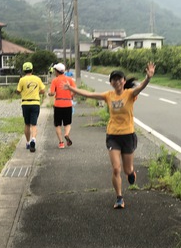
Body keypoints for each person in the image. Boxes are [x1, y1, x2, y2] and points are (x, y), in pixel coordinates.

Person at [64, 62, 156, 209]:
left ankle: (131, 173)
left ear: (124, 81)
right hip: (113, 135)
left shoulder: (130, 94)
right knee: (115, 168)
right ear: (111, 83)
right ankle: (119, 197)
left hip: (128, 135)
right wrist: (71, 88)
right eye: (114, 79)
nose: (117, 81)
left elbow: (140, 87)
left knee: (127, 170)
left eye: (120, 79)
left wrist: (148, 78)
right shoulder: (108, 95)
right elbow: (89, 94)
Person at [16, 62, 46, 153]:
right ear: (32, 70)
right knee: (34, 124)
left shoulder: (22, 80)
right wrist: (36, 92)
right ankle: (33, 139)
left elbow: (18, 91)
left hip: (25, 104)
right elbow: (43, 90)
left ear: (24, 70)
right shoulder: (37, 78)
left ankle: (28, 142)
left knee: (27, 124)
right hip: (35, 103)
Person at [48, 63, 76, 148]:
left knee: (58, 124)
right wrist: (70, 96)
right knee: (67, 123)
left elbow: (52, 93)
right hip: (68, 104)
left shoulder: (55, 80)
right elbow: (74, 90)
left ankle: (61, 143)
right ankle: (66, 134)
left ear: (57, 71)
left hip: (58, 104)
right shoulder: (70, 79)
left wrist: (49, 94)